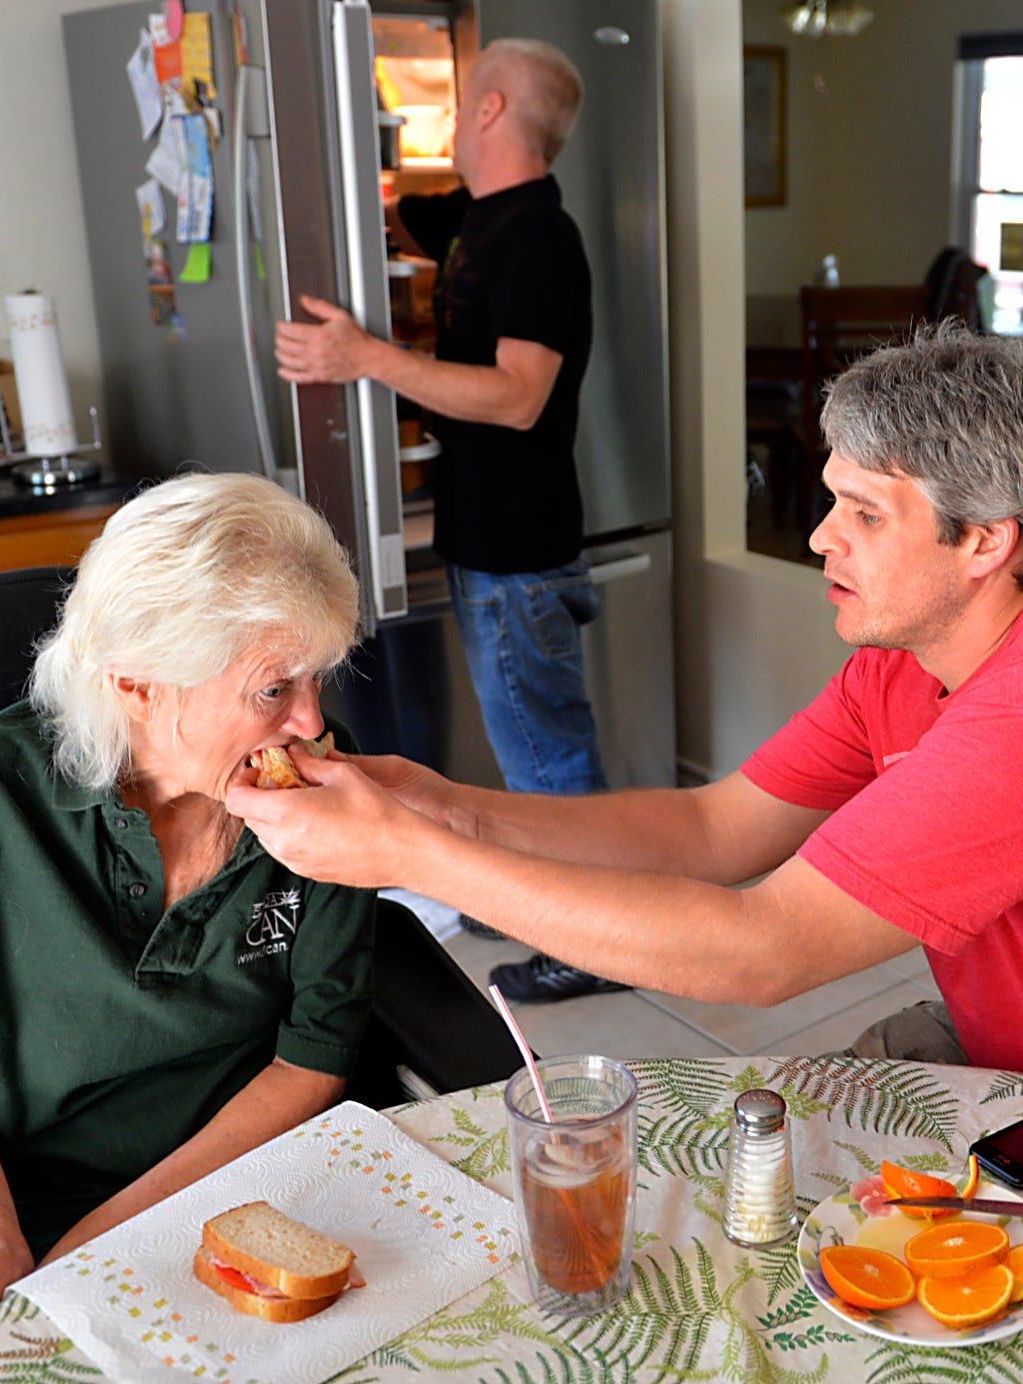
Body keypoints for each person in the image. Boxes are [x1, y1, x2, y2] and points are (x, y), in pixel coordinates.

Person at [229, 324, 1023, 1170]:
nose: (821, 536)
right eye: (830, 501)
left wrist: (410, 858)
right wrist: (435, 805)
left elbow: (760, 952)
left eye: (865, 513)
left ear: (985, 543)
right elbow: (712, 829)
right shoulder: (904, 662)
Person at [0, 473, 374, 1372]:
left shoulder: (312, 792)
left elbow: (310, 1056)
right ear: (138, 686)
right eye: (272, 688)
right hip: (27, 1204)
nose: (314, 720)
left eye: (318, 676)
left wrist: (110, 1239)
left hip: (258, 1177)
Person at [273, 37, 619, 1005]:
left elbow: (517, 396)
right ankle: (543, 903)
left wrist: (362, 357)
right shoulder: (479, 220)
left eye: (463, 98)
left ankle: (587, 939)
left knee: (546, 758)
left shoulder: (539, 239)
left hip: (519, 549)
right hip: (489, 542)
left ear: (495, 108)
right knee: (535, 750)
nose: (453, 115)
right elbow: (388, 213)